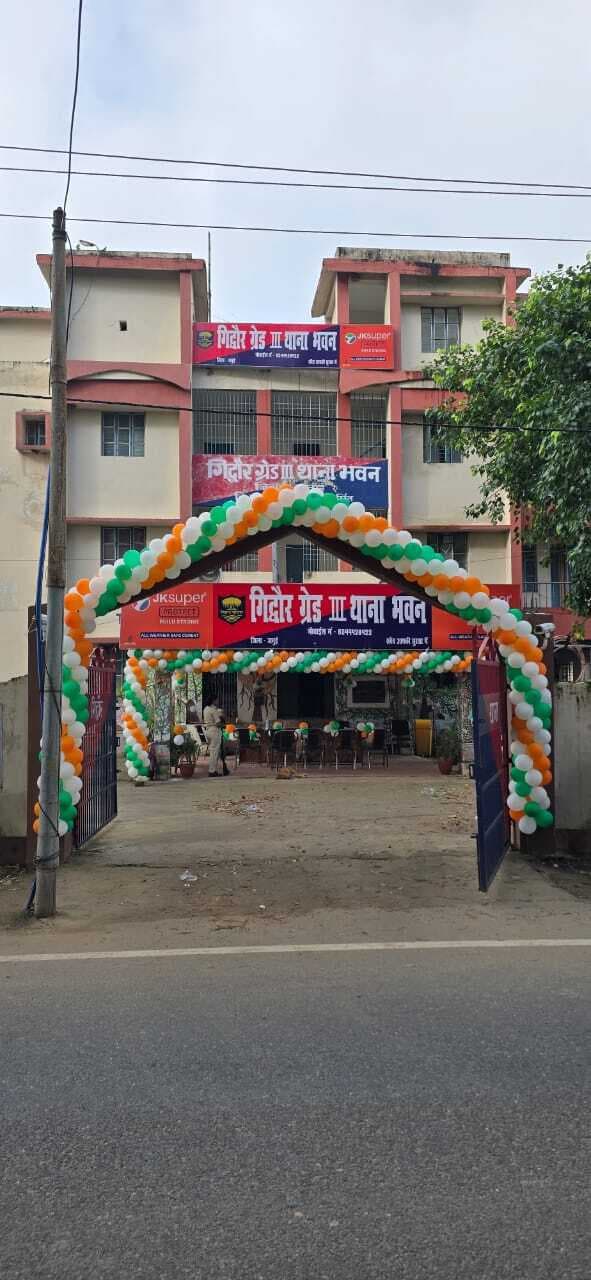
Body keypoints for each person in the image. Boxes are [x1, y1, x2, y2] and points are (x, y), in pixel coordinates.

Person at [202, 699, 229, 777]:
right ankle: (212, 771)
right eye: (216, 700)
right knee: (215, 753)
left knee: (212, 752)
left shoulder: (205, 709)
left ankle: (213, 770)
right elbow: (218, 724)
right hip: (215, 731)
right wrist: (224, 725)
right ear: (213, 700)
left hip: (208, 731)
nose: (217, 701)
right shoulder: (213, 710)